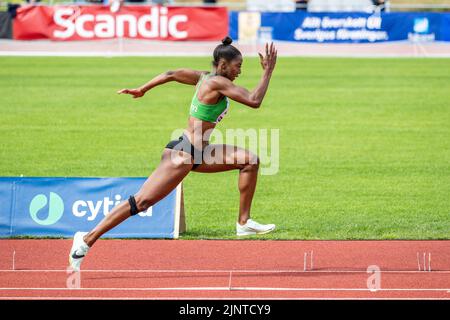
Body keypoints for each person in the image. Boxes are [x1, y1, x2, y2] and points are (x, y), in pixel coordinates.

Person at [69, 37, 278, 271]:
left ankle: (243, 223)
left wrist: (143, 89)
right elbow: (254, 100)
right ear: (222, 65)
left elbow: (170, 74)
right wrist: (268, 72)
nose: (240, 71)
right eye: (238, 66)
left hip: (200, 153)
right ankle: (86, 239)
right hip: (184, 154)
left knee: (250, 161)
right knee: (141, 202)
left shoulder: (203, 78)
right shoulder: (217, 82)